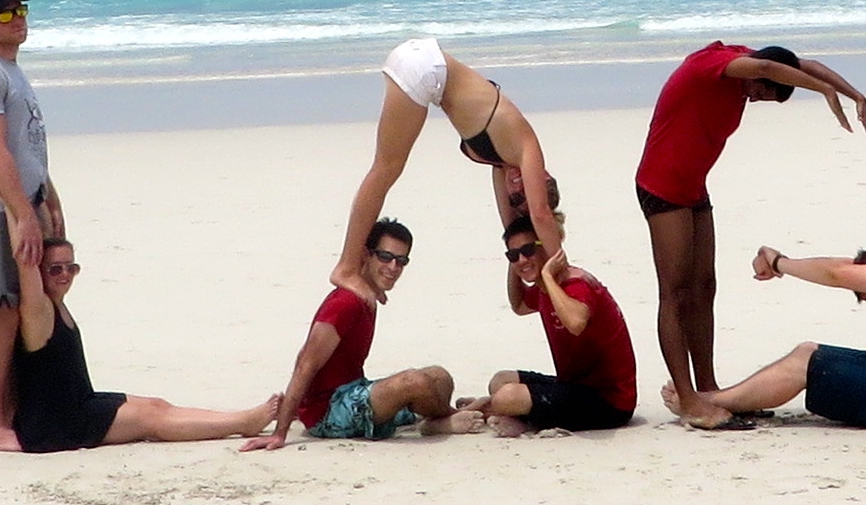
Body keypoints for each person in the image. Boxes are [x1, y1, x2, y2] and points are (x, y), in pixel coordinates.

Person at [635, 40, 866, 400]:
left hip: (693, 186)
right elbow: (764, 70)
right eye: (761, 94)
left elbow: (802, 63)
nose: (754, 99)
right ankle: (686, 398)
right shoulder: (718, 65)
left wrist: (854, 95)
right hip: (662, 184)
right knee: (675, 293)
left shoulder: (755, 62)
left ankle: (708, 390)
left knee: (705, 288)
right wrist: (824, 91)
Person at [0, 233, 284, 454]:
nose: (65, 275)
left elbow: (49, 230)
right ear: (40, 272)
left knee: (156, 405)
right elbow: (25, 258)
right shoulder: (40, 311)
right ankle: (242, 423)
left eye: (72, 267)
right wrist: (14, 208)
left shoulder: (58, 305)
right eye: (55, 269)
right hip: (57, 425)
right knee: (151, 420)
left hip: (79, 403)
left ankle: (237, 419)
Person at [669, 243, 866, 432]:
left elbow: (838, 275)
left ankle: (708, 402)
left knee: (805, 359)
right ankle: (730, 399)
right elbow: (844, 265)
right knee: (808, 352)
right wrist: (782, 258)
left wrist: (779, 264)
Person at [346, 36, 571, 284]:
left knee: (386, 169)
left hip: (423, 70)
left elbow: (511, 228)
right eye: (533, 185)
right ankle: (347, 267)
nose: (519, 184)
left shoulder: (499, 165)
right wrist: (565, 273)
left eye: (518, 196)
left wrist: (539, 271)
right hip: (424, 67)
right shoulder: (528, 147)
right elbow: (541, 214)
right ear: (543, 175)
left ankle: (354, 266)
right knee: (386, 169)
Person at [0, 0, 65, 452]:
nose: (16, 18)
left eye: (20, 9)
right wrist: (20, 214)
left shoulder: (10, 70)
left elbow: (26, 147)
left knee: (34, 304)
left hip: (27, 201)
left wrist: (48, 196)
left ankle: (21, 408)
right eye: (4, 14)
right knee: (5, 307)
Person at [250, 214, 456, 447]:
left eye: (401, 261)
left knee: (440, 377)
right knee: (415, 381)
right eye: (385, 257)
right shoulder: (346, 302)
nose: (393, 267)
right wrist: (280, 433)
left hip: (354, 390)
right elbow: (305, 363)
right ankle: (443, 419)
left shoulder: (368, 297)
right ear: (367, 255)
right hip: (328, 412)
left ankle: (436, 416)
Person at [473, 203, 643, 434]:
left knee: (507, 397)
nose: (522, 259)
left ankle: (489, 411)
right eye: (514, 254)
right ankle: (506, 412)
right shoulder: (544, 289)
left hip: (609, 401)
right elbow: (520, 305)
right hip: (574, 386)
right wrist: (519, 264)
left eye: (529, 250)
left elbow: (575, 323)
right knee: (500, 381)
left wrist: (548, 276)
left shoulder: (576, 284)